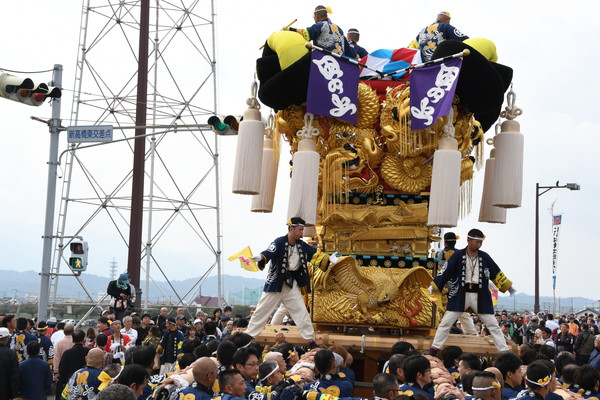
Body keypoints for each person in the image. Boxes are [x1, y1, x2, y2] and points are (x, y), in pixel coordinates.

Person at [245, 217, 337, 348]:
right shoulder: (279, 241)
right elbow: (269, 252)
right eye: (300, 229)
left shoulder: (301, 245)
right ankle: (248, 337)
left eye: (302, 230)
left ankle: (310, 341)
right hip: (276, 283)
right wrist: (260, 257)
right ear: (291, 228)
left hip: (291, 285)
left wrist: (329, 258)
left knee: (301, 312)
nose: (302, 233)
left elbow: (315, 254)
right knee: (262, 310)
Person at [427, 229, 517, 355]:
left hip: (480, 295)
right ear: (468, 240)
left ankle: (504, 351)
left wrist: (509, 287)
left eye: (481, 242)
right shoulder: (458, 255)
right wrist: (434, 285)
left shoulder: (485, 257)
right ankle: (434, 348)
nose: (479, 245)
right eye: (476, 242)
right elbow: (446, 271)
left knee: (493, 324)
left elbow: (496, 272)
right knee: (446, 322)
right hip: (460, 294)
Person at [436, 232, 478, 336]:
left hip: (443, 287)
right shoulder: (461, 254)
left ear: (445, 242)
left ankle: (438, 331)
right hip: (458, 287)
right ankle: (471, 332)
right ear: (455, 242)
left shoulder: (439, 254)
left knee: (439, 310)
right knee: (462, 312)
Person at [287, 5, 356, 58]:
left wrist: (289, 29)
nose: (314, 18)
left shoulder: (320, 25)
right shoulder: (340, 30)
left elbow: (305, 34)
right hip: (340, 65)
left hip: (324, 62)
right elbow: (350, 52)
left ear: (317, 15)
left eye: (314, 16)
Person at [57, 329, 90, 400]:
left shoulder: (67, 353)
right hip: (85, 385)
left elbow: (62, 369)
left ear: (73, 340)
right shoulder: (88, 352)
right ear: (84, 339)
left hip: (69, 383)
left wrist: (64, 382)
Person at [0, 327, 19, 400]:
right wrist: (14, 395)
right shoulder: (11, 353)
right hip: (5, 392)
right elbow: (15, 376)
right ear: (6, 338)